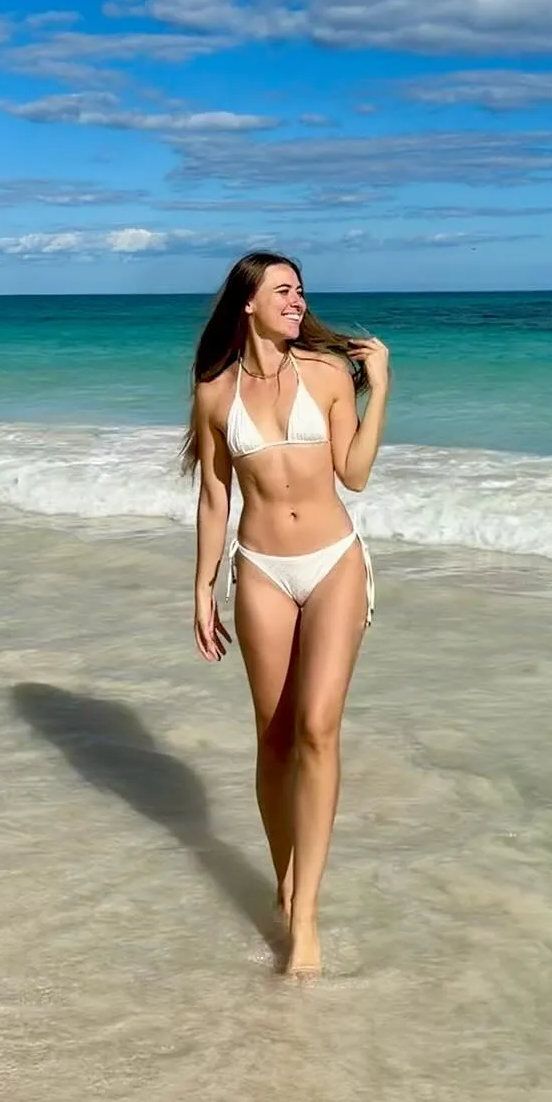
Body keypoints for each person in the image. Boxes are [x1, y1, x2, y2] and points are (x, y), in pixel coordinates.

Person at [183, 252, 390, 975]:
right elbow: (215, 497)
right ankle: (284, 883)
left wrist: (382, 386)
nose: (298, 300)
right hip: (262, 571)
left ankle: (305, 923)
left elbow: (354, 474)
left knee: (316, 727)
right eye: (283, 290)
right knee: (272, 739)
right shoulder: (216, 393)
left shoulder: (329, 375)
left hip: (333, 560)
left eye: (301, 289)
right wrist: (203, 586)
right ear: (248, 304)